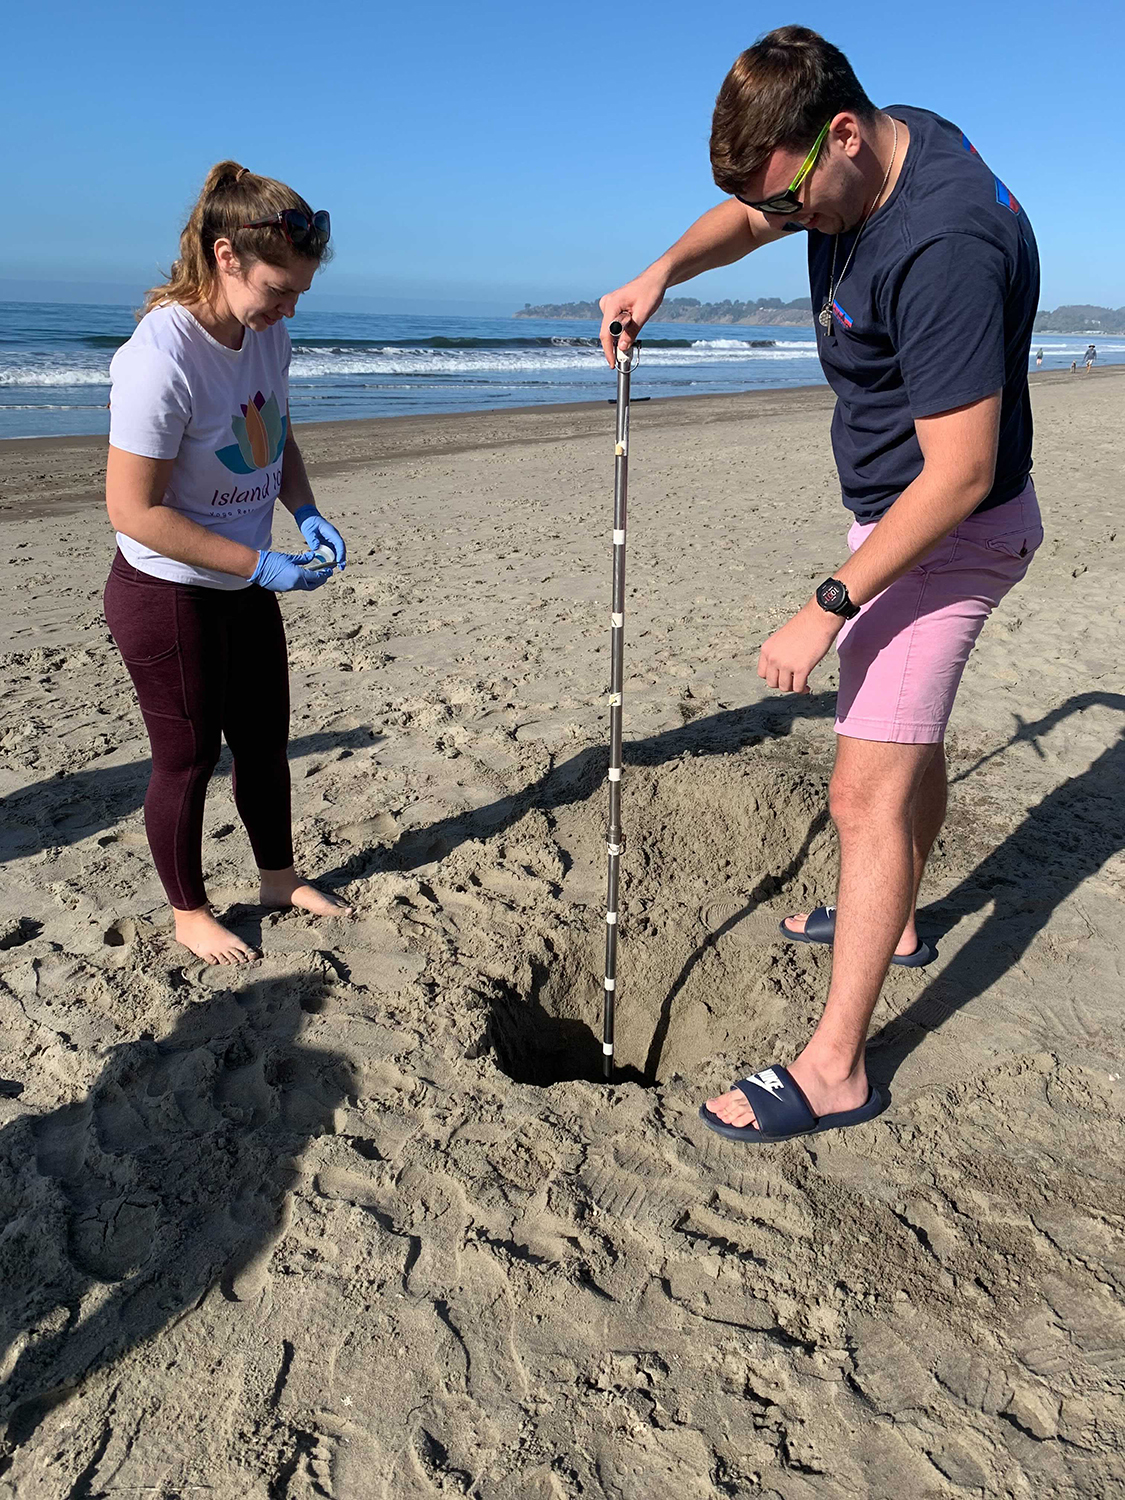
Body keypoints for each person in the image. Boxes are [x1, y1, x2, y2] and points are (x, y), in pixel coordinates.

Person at [598, 27, 1042, 1143]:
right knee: (907, 743)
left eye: (798, 201)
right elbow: (755, 213)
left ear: (843, 134)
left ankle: (837, 1066)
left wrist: (828, 604)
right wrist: (661, 272)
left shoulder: (941, 245)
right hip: (904, 516)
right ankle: (888, 926)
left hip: (946, 531)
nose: (788, 224)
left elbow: (964, 474)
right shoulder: (865, 150)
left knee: (862, 795)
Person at [104, 161, 352, 966]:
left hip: (242, 577)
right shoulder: (160, 356)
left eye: (298, 295)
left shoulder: (265, 332)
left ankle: (278, 879)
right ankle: (189, 912)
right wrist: (259, 564)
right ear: (224, 257)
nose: (286, 310)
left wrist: (304, 509)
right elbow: (132, 510)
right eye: (278, 289)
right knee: (188, 758)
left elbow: (276, 432)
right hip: (167, 589)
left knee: (265, 740)